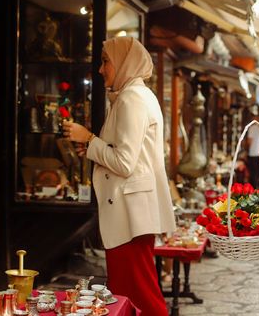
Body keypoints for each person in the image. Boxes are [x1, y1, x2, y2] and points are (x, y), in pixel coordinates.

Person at [63, 36, 175, 316]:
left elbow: (124, 162)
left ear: (124, 62)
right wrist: (93, 146)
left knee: (138, 296)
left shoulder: (131, 98)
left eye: (105, 61)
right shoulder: (136, 95)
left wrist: (89, 139)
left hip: (130, 215)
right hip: (132, 213)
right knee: (131, 295)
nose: (101, 69)